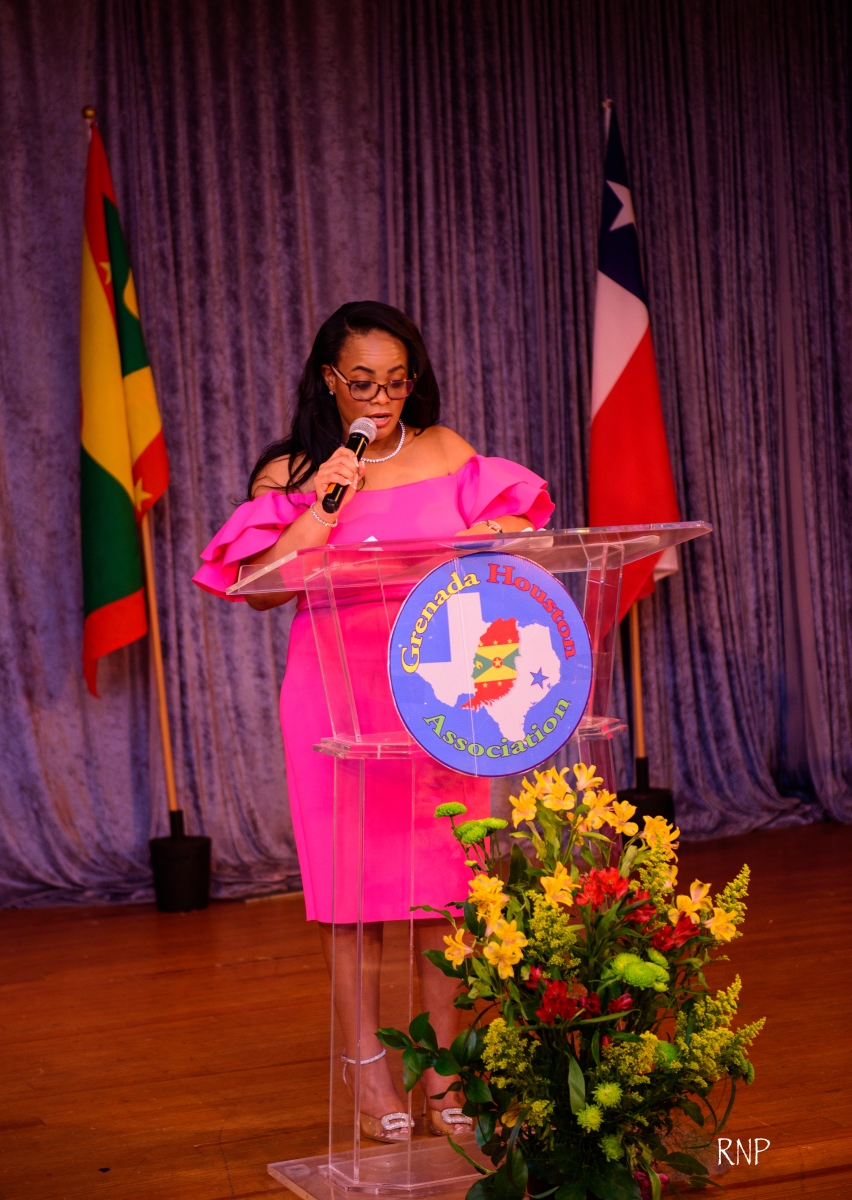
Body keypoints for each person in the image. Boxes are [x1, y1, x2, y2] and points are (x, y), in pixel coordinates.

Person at [194, 301, 554, 1143]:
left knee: (447, 892)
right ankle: (365, 1067)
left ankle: (445, 1067)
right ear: (330, 379)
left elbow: (518, 530)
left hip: (442, 694)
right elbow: (261, 587)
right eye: (364, 383)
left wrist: (497, 534)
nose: (383, 399)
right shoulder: (291, 472)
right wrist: (323, 502)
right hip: (335, 696)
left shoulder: (446, 450)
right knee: (351, 896)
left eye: (396, 382)